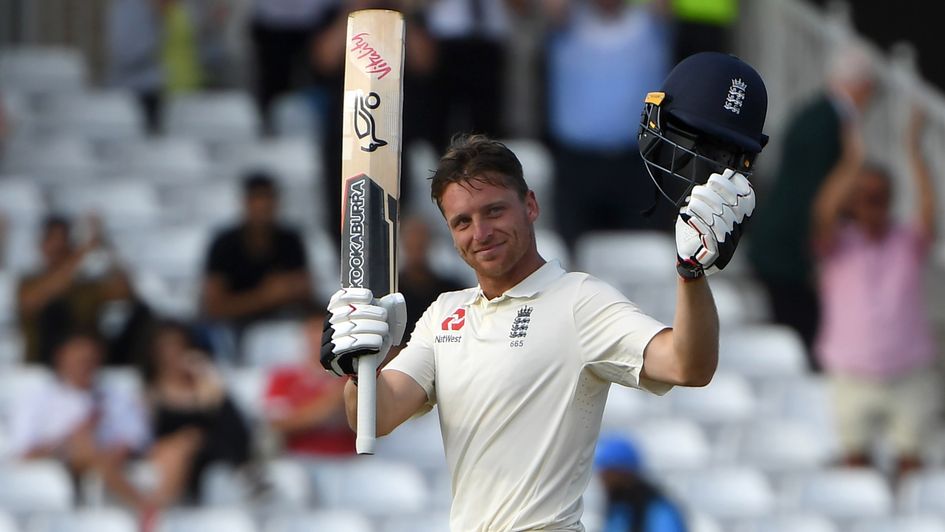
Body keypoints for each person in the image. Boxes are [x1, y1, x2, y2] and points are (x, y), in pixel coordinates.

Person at [321, 52, 768, 531]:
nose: (481, 233)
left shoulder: (578, 300)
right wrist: (355, 368)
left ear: (530, 205)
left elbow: (688, 365)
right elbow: (375, 417)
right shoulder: (444, 315)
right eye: (462, 222)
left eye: (494, 211)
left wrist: (690, 274)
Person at [811, 109, 938, 481]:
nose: (873, 204)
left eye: (880, 197)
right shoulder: (837, 244)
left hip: (908, 372)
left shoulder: (907, 242)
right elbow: (823, 211)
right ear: (852, 201)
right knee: (854, 469)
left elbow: (929, 210)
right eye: (865, 197)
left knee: (913, 467)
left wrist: (914, 151)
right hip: (851, 373)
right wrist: (851, 162)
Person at [748, 42, 875, 370]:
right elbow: (818, 198)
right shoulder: (827, 123)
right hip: (789, 251)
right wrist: (816, 255)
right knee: (800, 345)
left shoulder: (818, 114)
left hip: (782, 245)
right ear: (862, 86)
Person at [546, 0, 675, 249]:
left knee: (641, 251)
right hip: (577, 164)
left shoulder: (651, 22)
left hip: (638, 163)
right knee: (573, 257)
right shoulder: (565, 22)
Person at [7, 332, 152, 512]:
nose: (85, 367)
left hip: (110, 463)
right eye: (80, 361)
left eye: (91, 361)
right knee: (84, 446)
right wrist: (67, 441)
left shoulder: (115, 396)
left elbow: (138, 438)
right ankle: (144, 507)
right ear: (61, 358)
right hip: (57, 465)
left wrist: (120, 449)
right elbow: (22, 454)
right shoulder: (36, 398)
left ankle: (143, 507)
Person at [201, 171, 313, 356]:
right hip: (237, 329)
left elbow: (305, 289)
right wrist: (265, 296)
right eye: (257, 201)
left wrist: (288, 291)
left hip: (285, 322)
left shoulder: (290, 240)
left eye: (268, 200)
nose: (263, 208)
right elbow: (213, 307)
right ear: (245, 203)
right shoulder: (225, 244)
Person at [16, 215, 153, 366]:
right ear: (41, 245)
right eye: (52, 240)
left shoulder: (85, 286)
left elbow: (125, 292)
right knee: (54, 311)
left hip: (90, 362)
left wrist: (106, 248)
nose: (58, 247)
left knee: (142, 314)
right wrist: (81, 253)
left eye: (64, 241)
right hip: (45, 365)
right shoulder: (29, 282)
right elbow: (32, 302)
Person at [141, 320, 253, 503]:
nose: (173, 353)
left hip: (211, 452)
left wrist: (205, 375)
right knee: (184, 447)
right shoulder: (149, 394)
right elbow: (147, 437)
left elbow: (234, 426)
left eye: (179, 346)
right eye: (166, 347)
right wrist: (183, 440)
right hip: (173, 454)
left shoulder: (205, 386)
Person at [262, 305, 354, 456]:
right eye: (314, 330)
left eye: (328, 331)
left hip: (348, 459)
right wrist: (329, 402)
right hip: (300, 458)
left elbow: (372, 423)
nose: (320, 338)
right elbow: (277, 424)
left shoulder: (353, 375)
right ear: (304, 333)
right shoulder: (284, 376)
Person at [594, 434, 687, 532]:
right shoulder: (618, 508)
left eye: (608, 474)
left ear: (624, 473)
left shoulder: (657, 509)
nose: (603, 481)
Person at [398, 214, 464, 340]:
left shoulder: (452, 290)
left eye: (420, 244)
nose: (416, 249)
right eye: (412, 243)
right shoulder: (391, 292)